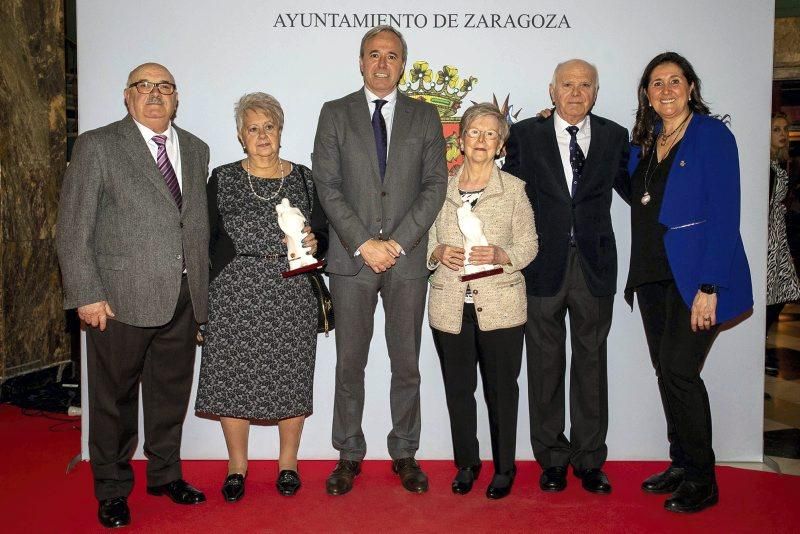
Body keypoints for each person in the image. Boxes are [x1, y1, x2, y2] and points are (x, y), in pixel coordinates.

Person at [56, 62, 209, 528]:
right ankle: (112, 489)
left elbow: (191, 224)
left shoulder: (197, 149)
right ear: (128, 96)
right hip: (117, 301)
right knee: (113, 400)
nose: (155, 94)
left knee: (169, 395)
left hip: (183, 296)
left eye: (165, 87)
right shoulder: (98, 146)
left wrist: (202, 295)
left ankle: (165, 475)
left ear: (176, 97)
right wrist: (86, 293)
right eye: (144, 86)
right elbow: (72, 228)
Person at [312, 25, 448, 495]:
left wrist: (397, 243)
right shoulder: (335, 113)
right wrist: (362, 243)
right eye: (374, 54)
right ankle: (348, 454)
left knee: (406, 362)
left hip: (406, 262)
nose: (383, 63)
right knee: (350, 364)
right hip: (352, 263)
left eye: (392, 55)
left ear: (402, 64)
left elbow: (435, 185)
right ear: (361, 61)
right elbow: (326, 186)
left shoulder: (425, 116)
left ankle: (405, 452)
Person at [625, 52, 753, 513]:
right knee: (667, 372)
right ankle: (680, 462)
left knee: (680, 370)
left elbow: (725, 215)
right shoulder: (645, 141)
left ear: (691, 87)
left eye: (674, 81)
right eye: (656, 83)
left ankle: (703, 477)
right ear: (646, 94)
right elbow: (623, 181)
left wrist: (711, 285)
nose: (666, 90)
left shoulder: (713, 136)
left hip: (697, 279)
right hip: (653, 276)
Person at [502, 59, 629, 495]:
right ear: (552, 91)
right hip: (541, 265)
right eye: (567, 85)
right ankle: (552, 459)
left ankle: (590, 460)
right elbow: (505, 195)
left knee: (591, 364)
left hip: (595, 266)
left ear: (596, 92)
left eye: (585, 85)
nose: (576, 93)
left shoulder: (615, 136)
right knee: (544, 366)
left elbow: (641, 192)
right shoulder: (523, 135)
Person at [194, 92, 328, 502]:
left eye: (269, 126)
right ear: (240, 135)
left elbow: (323, 237)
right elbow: (205, 241)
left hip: (292, 293)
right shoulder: (222, 177)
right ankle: (237, 465)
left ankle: (288, 462)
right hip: (234, 292)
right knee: (233, 378)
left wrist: (313, 239)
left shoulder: (306, 178)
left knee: (290, 376)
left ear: (281, 131)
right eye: (253, 128)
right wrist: (201, 302)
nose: (262, 134)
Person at [427, 103, 538, 499]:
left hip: (502, 308)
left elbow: (529, 245)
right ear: (461, 138)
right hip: (450, 306)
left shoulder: (514, 190)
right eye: (475, 132)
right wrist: (437, 251)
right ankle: (467, 464)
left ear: (501, 144)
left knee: (501, 391)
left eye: (491, 134)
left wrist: (502, 254)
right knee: (458, 390)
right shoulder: (439, 188)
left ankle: (504, 468)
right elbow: (423, 237)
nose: (481, 140)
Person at [766, 112, 800, 343]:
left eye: (785, 129)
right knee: (774, 295)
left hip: (777, 237)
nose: (783, 135)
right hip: (769, 239)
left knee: (782, 293)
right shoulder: (767, 169)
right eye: (776, 129)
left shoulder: (777, 165)